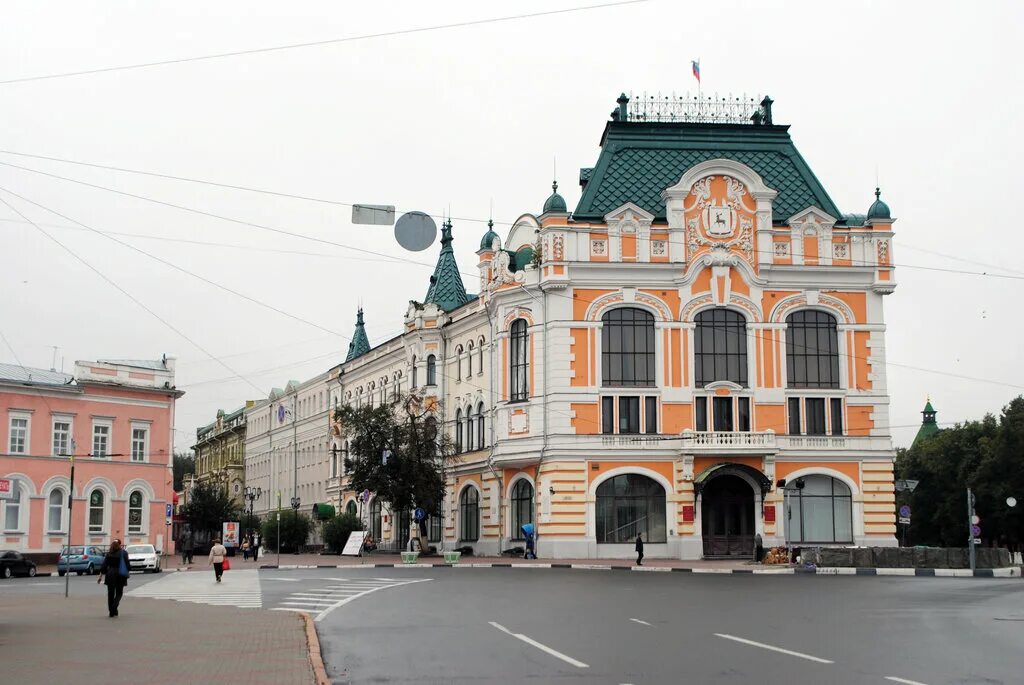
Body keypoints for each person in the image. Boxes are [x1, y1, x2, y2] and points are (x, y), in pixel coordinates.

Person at [97, 539, 130, 617]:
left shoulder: (109, 553)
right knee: (119, 592)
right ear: (120, 545)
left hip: (110, 574)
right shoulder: (124, 553)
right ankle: (114, 607)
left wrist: (100, 576)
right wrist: (128, 571)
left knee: (110, 593)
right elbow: (128, 565)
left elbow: (104, 566)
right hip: (120, 574)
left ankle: (111, 611)